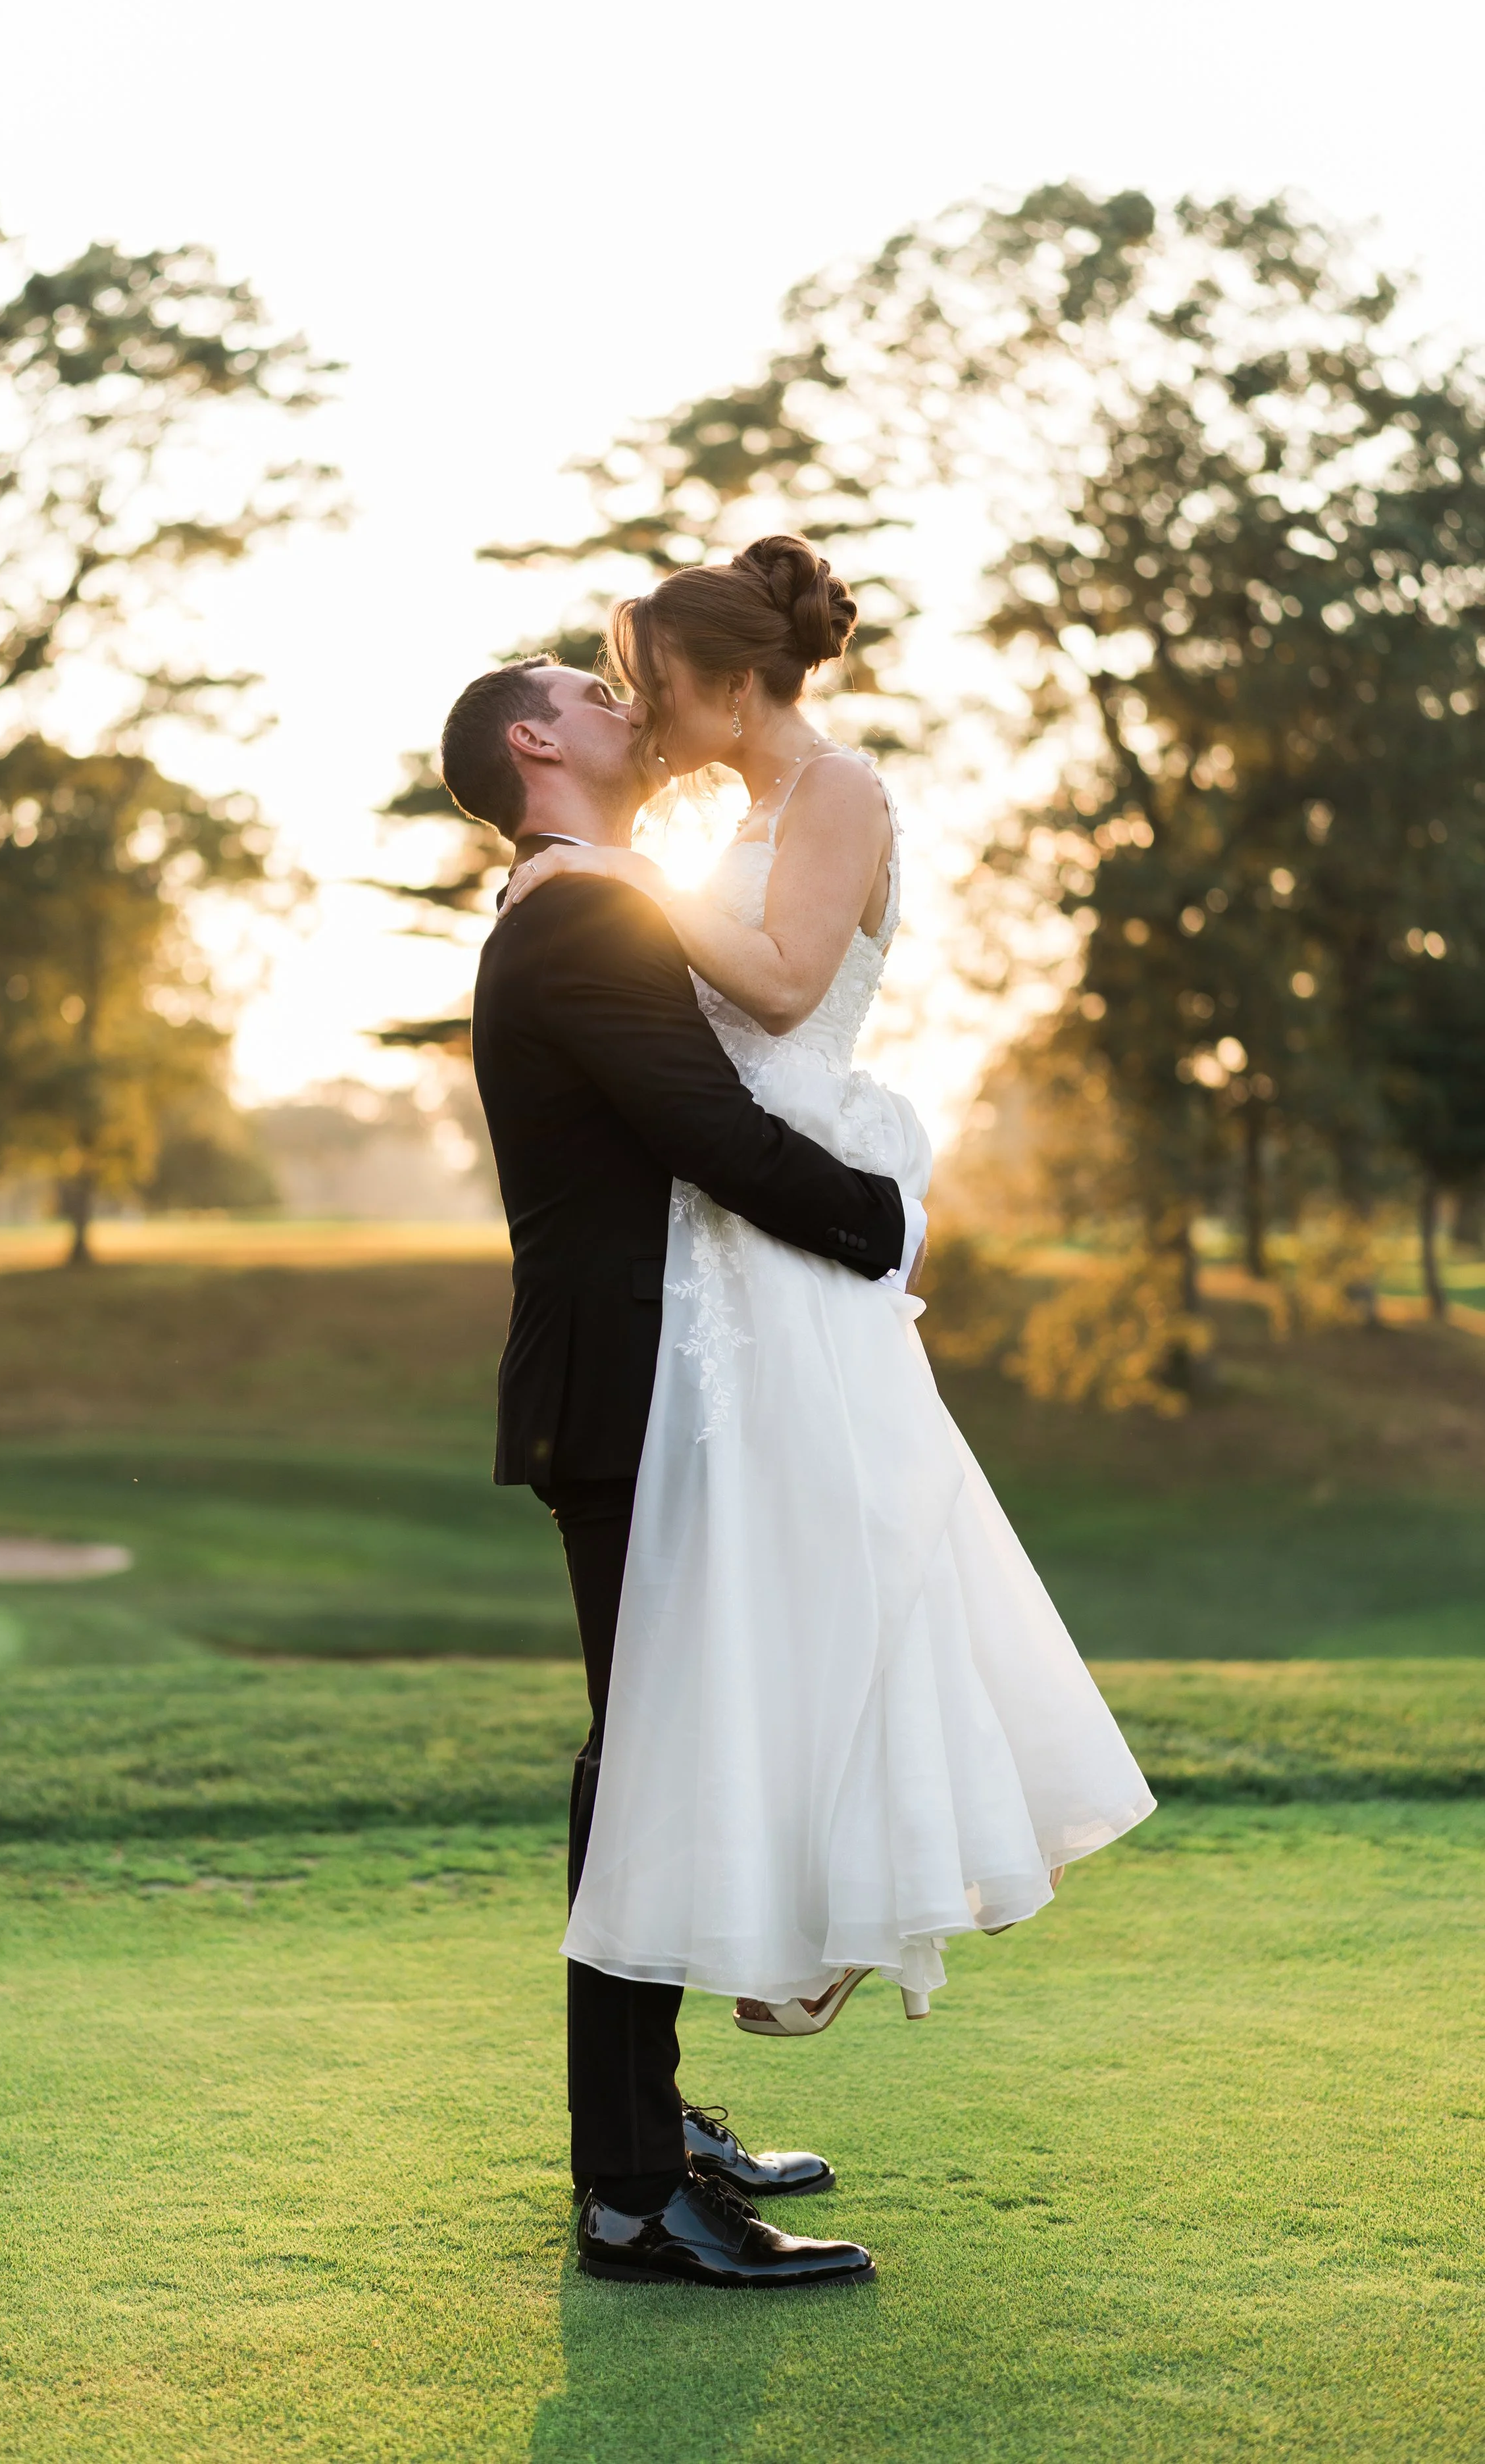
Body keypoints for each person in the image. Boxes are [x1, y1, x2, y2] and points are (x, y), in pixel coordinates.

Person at [499, 535, 1155, 2048]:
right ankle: (789, 1909)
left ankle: (846, 1898)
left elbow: (788, 984)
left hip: (781, 1208)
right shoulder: (733, 810)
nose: (644, 717)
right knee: (762, 1596)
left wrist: (610, 871)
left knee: (853, 1560)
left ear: (735, 681)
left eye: (656, 689)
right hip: (713, 1232)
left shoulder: (838, 789)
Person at [454, 650, 924, 2288]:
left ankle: (649, 2131)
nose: (621, 700)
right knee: (645, 1765)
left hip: (639, 1383)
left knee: (646, 1751)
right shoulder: (580, 912)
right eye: (588, 688)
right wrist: (881, 1218)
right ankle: (631, 2192)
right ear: (534, 744)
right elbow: (700, 1122)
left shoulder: (580, 897)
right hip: (625, 1391)